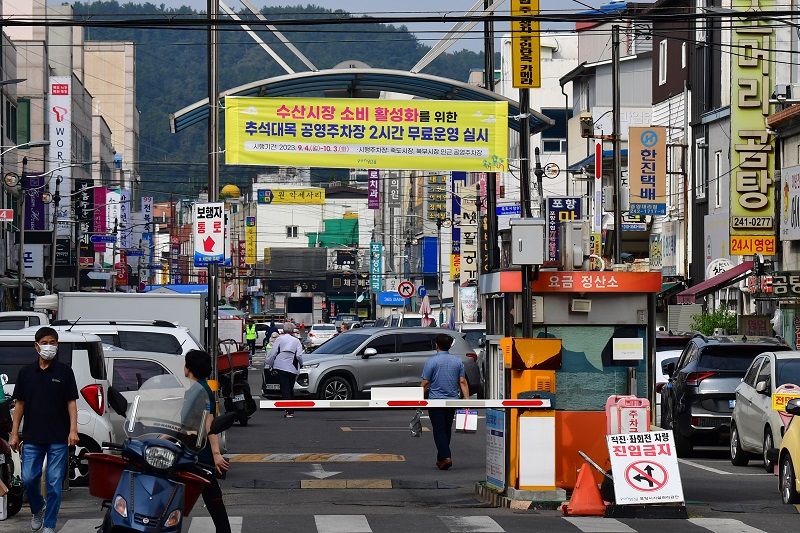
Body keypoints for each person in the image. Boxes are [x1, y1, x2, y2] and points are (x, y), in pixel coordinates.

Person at [9, 327, 79, 533]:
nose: (49, 346)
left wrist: (73, 430)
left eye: (53, 342)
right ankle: (38, 508)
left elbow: (71, 404)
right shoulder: (26, 372)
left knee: (55, 484)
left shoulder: (65, 372)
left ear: (58, 345)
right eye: (45, 342)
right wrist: (14, 433)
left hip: (58, 437)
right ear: (36, 345)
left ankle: (49, 524)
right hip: (32, 437)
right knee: (29, 478)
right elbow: (19, 405)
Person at [183, 350, 232, 533]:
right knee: (211, 497)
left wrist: (216, 454)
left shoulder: (200, 391)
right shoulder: (198, 388)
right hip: (193, 451)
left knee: (212, 497)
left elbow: (208, 423)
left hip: (199, 454)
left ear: (189, 368)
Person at [420, 333, 469, 471]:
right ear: (449, 346)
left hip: (436, 401)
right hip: (452, 401)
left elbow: (425, 383)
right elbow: (463, 381)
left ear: (436, 345)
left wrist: (418, 400)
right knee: (446, 429)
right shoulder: (457, 361)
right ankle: (441, 459)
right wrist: (467, 401)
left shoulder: (432, 361)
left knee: (439, 429)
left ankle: (446, 456)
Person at [266, 322, 304, 418]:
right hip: (292, 366)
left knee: (285, 388)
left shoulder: (279, 339)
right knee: (290, 387)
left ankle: (289, 410)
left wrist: (270, 364)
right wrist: (301, 364)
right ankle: (291, 409)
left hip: (281, 365)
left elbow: (273, 353)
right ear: (292, 331)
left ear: (283, 330)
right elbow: (299, 355)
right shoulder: (296, 341)